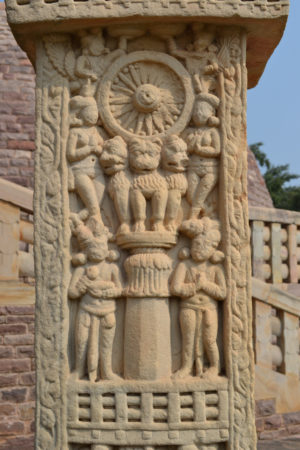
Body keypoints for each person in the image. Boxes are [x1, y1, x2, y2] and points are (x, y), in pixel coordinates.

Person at [171, 217, 226, 378]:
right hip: (188, 307)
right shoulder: (184, 265)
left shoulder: (215, 269)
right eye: (195, 245)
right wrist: (194, 287)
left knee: (209, 340)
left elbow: (222, 292)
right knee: (188, 340)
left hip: (209, 308)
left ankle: (215, 366)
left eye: (203, 246)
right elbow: (175, 288)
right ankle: (186, 368)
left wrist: (205, 285)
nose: (198, 249)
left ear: (212, 249)